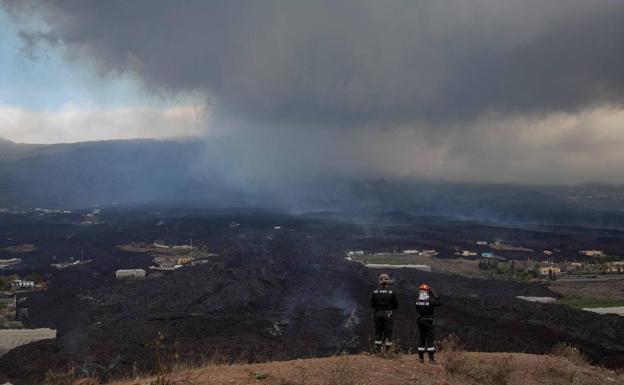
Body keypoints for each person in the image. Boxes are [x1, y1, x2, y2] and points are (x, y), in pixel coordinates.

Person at [370, 273, 399, 351]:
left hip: (378, 313)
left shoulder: (375, 292)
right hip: (388, 314)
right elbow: (396, 305)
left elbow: (372, 305)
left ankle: (377, 351)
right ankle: (387, 351)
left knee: (378, 332)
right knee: (388, 332)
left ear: (380, 281)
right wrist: (389, 308)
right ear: (388, 281)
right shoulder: (391, 292)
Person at [415, 283, 441, 363]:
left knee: (421, 339)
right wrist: (433, 294)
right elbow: (439, 303)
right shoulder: (431, 301)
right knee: (430, 339)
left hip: (420, 321)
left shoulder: (417, 301)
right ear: (427, 292)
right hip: (429, 321)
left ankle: (421, 358)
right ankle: (431, 359)